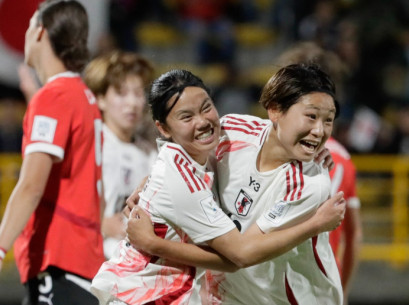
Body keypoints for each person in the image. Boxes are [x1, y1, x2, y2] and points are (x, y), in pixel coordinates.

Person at [92, 67, 345, 305]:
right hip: (224, 294)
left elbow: (242, 252)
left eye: (328, 120)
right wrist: (152, 187)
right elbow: (185, 171)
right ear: (275, 110)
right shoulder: (234, 132)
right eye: (311, 117)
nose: (319, 130)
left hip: (287, 299)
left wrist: (153, 235)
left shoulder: (310, 184)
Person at [0, 1, 104, 304]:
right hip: (81, 262)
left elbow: (31, 186)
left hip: (58, 261)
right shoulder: (81, 95)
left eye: (31, 23)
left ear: (41, 32)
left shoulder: (55, 97)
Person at [276, 41, 362, 304]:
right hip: (319, 287)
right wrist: (342, 293)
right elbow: (354, 234)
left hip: (280, 284)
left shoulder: (282, 150)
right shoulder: (344, 160)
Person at [83, 51, 157, 260]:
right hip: (95, 260)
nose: (132, 103)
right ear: (100, 99)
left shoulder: (151, 153)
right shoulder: (90, 146)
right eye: (122, 93)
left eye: (138, 93)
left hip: (138, 261)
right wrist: (99, 223)